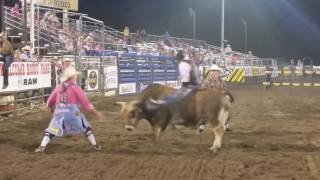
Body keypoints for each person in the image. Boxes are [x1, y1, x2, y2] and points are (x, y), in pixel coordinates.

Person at [35, 67, 103, 153]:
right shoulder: (75, 88)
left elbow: (49, 102)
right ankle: (95, 145)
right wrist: (96, 113)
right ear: (72, 77)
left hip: (59, 113)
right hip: (72, 113)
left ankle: (41, 147)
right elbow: (86, 103)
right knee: (85, 127)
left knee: (51, 130)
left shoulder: (58, 88)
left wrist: (50, 108)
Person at [148, 50, 200, 124]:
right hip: (197, 84)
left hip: (191, 86)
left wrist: (180, 89)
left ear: (178, 58)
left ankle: (177, 117)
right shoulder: (190, 61)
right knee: (174, 95)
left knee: (172, 98)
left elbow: (185, 82)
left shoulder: (182, 64)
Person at [201, 64, 230, 132]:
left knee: (226, 108)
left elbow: (226, 90)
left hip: (219, 101)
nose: (214, 73)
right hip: (209, 101)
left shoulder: (222, 82)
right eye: (213, 71)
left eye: (216, 71)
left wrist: (226, 96)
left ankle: (226, 125)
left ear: (218, 72)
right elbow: (202, 91)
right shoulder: (206, 81)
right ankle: (202, 125)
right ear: (211, 72)